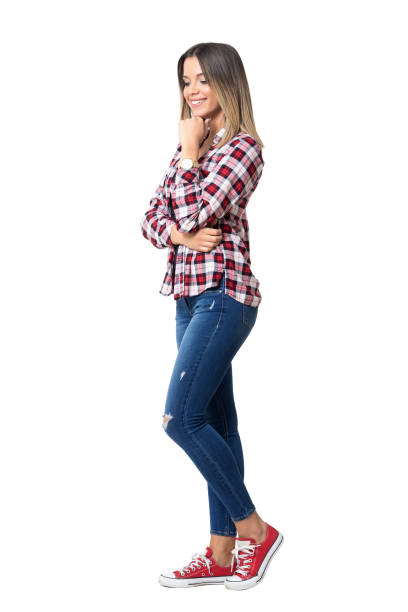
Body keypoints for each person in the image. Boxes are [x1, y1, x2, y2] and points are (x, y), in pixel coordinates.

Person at [140, 42, 283, 591]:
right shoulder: (193, 146)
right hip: (186, 296)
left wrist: (189, 161)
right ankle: (222, 554)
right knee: (217, 422)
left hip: (225, 295)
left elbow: (200, 209)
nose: (192, 90)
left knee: (181, 419)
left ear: (228, 82)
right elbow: (152, 220)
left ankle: (255, 531)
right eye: (185, 81)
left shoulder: (243, 149)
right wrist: (179, 233)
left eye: (202, 79)